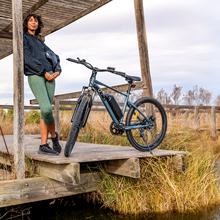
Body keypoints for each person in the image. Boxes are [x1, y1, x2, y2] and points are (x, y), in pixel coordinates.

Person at [23, 14, 62, 155]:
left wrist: (57, 70)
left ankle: (44, 145)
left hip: (50, 76)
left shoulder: (40, 41)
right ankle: (54, 137)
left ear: (38, 24)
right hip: (36, 75)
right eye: (30, 20)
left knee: (46, 112)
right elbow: (27, 59)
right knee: (45, 109)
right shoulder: (24, 39)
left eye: (36, 21)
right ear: (26, 24)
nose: (33, 23)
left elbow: (54, 56)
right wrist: (44, 71)